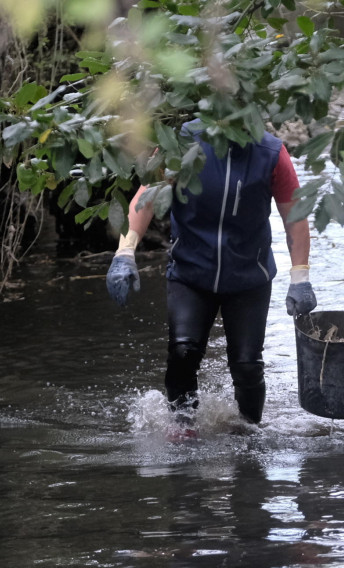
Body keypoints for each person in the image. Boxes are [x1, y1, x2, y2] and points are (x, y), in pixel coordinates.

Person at [105, 121, 318, 433]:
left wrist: (300, 276)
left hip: (249, 276)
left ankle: (250, 431)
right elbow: (146, 196)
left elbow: (295, 217)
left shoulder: (271, 152)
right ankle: (182, 425)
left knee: (246, 366)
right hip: (191, 272)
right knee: (183, 350)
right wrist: (124, 252)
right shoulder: (179, 144)